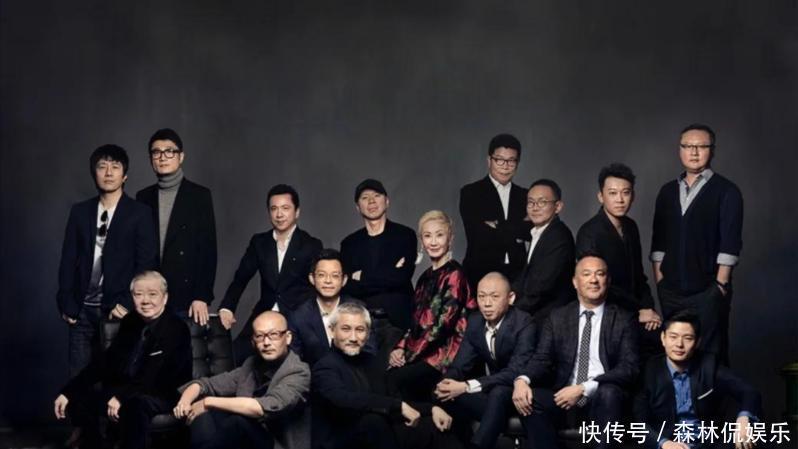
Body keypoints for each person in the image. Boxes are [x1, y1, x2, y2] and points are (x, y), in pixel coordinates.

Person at [53, 271, 192, 449]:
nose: (145, 300)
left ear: (165, 298)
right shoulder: (131, 321)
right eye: (138, 294)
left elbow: (156, 376)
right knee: (78, 399)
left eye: (152, 294)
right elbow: (106, 362)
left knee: (135, 405)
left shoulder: (176, 328)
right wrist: (69, 391)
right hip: (129, 388)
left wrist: (121, 397)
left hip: (162, 392)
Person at [513, 254, 639, 449]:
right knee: (531, 398)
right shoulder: (558, 317)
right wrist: (523, 380)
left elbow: (629, 368)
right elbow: (542, 359)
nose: (593, 280)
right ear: (575, 282)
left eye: (600, 274)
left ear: (608, 281)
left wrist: (583, 388)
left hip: (602, 399)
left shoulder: (624, 319)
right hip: (565, 397)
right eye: (586, 274)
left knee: (609, 392)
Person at [57, 144, 158, 377]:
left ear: (125, 175)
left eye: (115, 167)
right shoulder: (80, 212)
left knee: (116, 379)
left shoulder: (139, 213)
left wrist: (128, 303)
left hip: (117, 310)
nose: (109, 172)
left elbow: (146, 264)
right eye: (102, 167)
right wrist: (66, 302)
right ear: (94, 173)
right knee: (79, 381)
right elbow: (68, 260)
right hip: (82, 310)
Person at [651, 124, 743, 365]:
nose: (694, 152)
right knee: (675, 356)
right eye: (688, 146)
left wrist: (719, 286)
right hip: (671, 292)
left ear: (712, 151)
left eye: (701, 146)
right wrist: (661, 282)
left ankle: (709, 394)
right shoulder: (667, 191)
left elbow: (730, 244)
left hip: (708, 291)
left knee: (710, 357)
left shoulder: (727, 191)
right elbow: (658, 243)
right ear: (680, 150)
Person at [312, 301, 461, 449]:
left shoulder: (371, 361)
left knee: (434, 426)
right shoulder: (324, 367)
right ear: (332, 331)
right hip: (342, 441)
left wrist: (431, 409)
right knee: (372, 421)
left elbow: (391, 398)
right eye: (346, 329)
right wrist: (397, 406)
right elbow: (344, 399)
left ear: (368, 334)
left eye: (360, 330)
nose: (353, 337)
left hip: (380, 435)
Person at [175, 311, 310, 449]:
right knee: (205, 415)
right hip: (247, 441)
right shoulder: (251, 365)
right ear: (253, 342)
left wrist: (207, 402)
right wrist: (185, 401)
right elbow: (208, 384)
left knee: (236, 422)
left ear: (287, 338)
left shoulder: (298, 371)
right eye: (260, 336)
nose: (266, 342)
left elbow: (263, 407)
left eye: (274, 334)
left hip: (276, 445)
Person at [219, 184, 323, 363]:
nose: (279, 214)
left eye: (285, 208)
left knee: (295, 363)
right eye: (274, 209)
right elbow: (241, 277)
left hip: (297, 316)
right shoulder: (259, 242)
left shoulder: (311, 245)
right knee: (235, 357)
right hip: (264, 313)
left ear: (297, 212)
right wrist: (227, 307)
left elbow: (318, 287)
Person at [435, 272, 537, 449]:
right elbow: (460, 365)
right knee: (442, 393)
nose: (487, 303)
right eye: (481, 297)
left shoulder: (524, 323)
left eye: (494, 297)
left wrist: (466, 386)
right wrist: (446, 384)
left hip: (519, 393)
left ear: (511, 298)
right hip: (492, 395)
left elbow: (515, 371)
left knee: (498, 393)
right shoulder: (475, 321)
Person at [634, 312, 761, 449]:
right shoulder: (649, 370)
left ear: (697, 342)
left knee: (755, 436)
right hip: (669, 443)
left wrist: (744, 419)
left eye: (688, 338)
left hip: (708, 443)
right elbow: (638, 423)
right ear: (663, 338)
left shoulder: (709, 364)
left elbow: (749, 392)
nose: (679, 344)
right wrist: (664, 443)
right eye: (673, 337)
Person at [388, 211, 477, 402]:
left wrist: (409, 356)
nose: (434, 242)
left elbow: (441, 328)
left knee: (395, 379)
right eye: (428, 236)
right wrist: (399, 348)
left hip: (445, 357)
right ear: (422, 241)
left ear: (450, 239)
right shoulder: (424, 277)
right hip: (422, 352)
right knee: (386, 374)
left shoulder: (455, 275)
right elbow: (415, 322)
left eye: (439, 235)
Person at [576, 163, 661, 361]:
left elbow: (639, 276)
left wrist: (648, 307)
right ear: (601, 196)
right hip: (606, 311)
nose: (620, 200)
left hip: (635, 310)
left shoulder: (631, 227)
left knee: (665, 341)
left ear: (633, 196)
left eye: (626, 193)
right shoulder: (589, 232)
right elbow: (596, 285)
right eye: (613, 193)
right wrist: (638, 310)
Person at [136, 128, 217, 325]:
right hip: (151, 296)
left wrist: (202, 296)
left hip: (186, 297)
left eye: (169, 151)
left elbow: (208, 250)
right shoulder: (143, 197)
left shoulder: (199, 196)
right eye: (156, 152)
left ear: (181, 157)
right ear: (151, 159)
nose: (163, 157)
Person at [340, 179, 418, 330]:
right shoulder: (349, 244)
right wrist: (389, 272)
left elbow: (401, 278)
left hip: (398, 321)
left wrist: (362, 276)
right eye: (365, 197)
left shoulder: (405, 235)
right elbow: (348, 287)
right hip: (362, 322)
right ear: (358, 207)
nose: (371, 201)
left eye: (377, 195)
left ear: (387, 202)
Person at [459, 133, 531, 288]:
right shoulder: (471, 192)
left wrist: (498, 226)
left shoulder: (526, 195)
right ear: (489, 160)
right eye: (499, 159)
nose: (505, 166)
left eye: (511, 161)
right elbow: (478, 234)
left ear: (517, 163)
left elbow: (530, 231)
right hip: (480, 273)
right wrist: (517, 229)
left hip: (518, 275)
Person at [289, 248, 375, 366]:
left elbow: (369, 351)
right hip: (314, 376)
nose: (328, 281)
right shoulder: (298, 316)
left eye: (335, 276)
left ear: (344, 280)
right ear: (312, 278)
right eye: (322, 275)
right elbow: (295, 361)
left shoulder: (359, 310)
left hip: (353, 374)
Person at [512, 179, 575, 322]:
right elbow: (527, 278)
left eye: (542, 202)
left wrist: (512, 312)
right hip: (537, 313)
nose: (535, 208)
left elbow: (541, 288)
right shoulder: (540, 232)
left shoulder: (559, 237)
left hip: (550, 319)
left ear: (558, 206)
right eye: (531, 202)